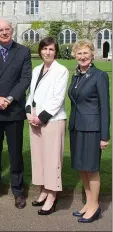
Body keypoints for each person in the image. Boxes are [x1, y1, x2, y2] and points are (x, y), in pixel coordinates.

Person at [0, 18, 32, 209]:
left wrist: (9, 98)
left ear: (13, 30)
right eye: (0, 30)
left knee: (15, 152)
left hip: (14, 109)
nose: (4, 32)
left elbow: (25, 78)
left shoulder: (23, 51)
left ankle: (18, 191)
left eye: (7, 29)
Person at [25, 37, 69, 215]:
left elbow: (57, 99)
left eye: (51, 49)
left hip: (52, 120)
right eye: (44, 49)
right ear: (40, 50)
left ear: (55, 51)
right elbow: (31, 94)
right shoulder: (37, 69)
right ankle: (44, 190)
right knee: (39, 158)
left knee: (52, 160)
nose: (47, 52)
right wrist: (29, 112)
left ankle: (52, 195)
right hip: (34, 120)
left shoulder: (61, 70)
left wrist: (41, 118)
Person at [68, 40, 110, 223]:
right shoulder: (76, 76)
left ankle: (95, 206)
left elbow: (105, 107)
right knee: (82, 168)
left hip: (92, 129)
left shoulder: (99, 75)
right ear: (75, 56)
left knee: (91, 168)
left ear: (92, 55)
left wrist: (104, 136)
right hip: (77, 127)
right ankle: (88, 202)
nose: (83, 57)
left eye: (86, 53)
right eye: (79, 54)